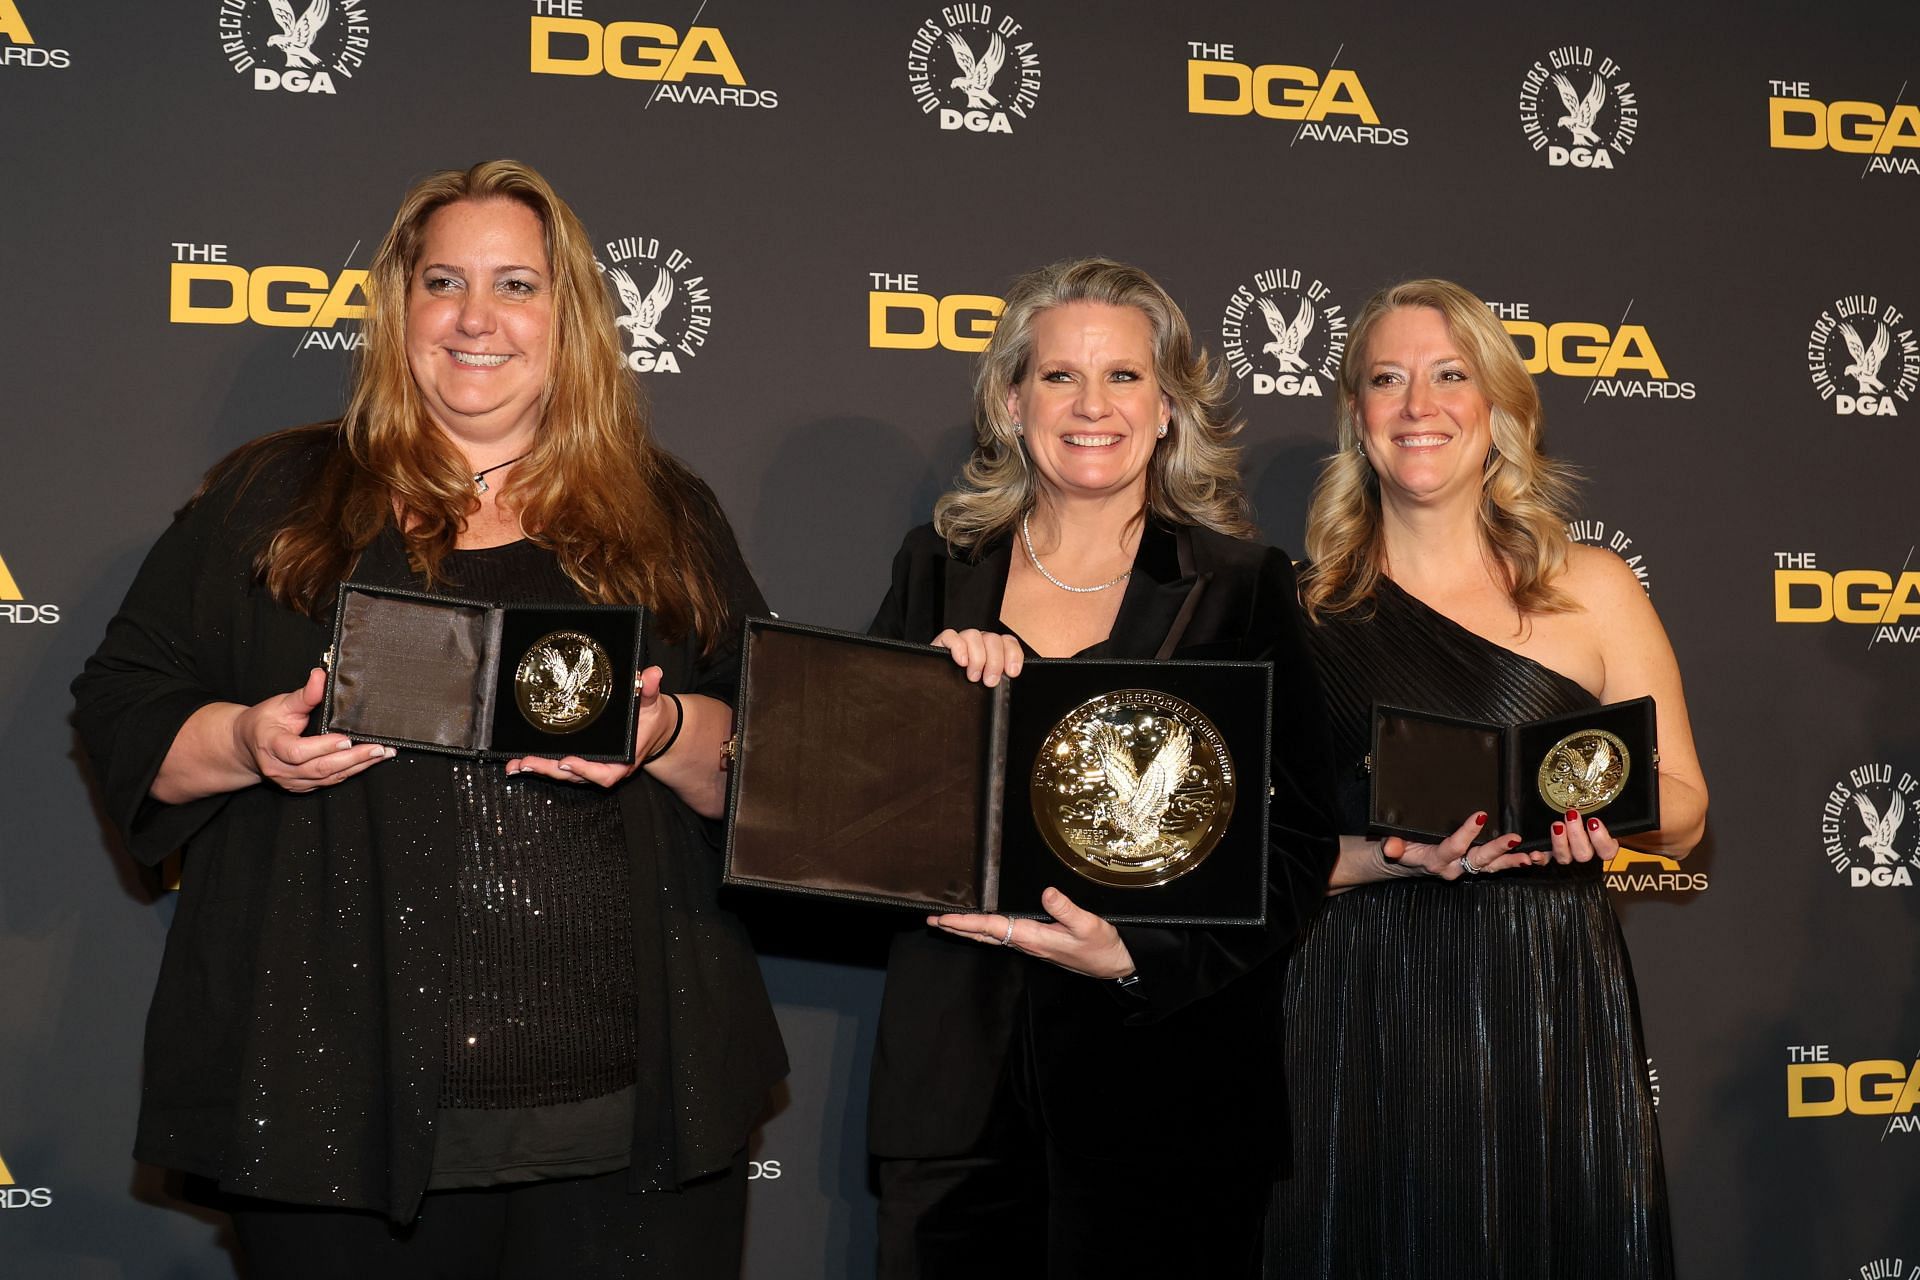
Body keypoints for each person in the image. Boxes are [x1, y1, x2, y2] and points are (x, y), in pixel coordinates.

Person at [71, 160, 784, 1278]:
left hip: (631, 1123)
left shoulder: (663, 511)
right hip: (334, 1112)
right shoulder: (278, 496)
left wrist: (661, 734)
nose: (476, 318)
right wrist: (250, 741)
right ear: (400, 307)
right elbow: (121, 702)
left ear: (573, 316)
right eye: (443, 280)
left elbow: (773, 758)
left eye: (517, 284)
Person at [865, 257, 1337, 1279]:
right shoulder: (937, 568)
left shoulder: (1243, 587)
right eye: (1059, 376)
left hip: (1171, 1087)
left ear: (1168, 406)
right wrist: (931, 703)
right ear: (1010, 398)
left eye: (1124, 376)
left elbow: (1300, 839)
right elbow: (849, 809)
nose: (1092, 406)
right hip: (955, 1093)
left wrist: (1138, 956)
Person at [1263, 278, 1708, 1278]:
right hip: (1358, 1000)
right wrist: (1384, 855)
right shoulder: (1296, 610)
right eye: (1387, 379)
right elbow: (1264, 856)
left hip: (1544, 993)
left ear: (1499, 408)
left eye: (1449, 375)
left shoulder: (1591, 585)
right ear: (1358, 418)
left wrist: (1614, 821)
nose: (1419, 406)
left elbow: (1684, 802)